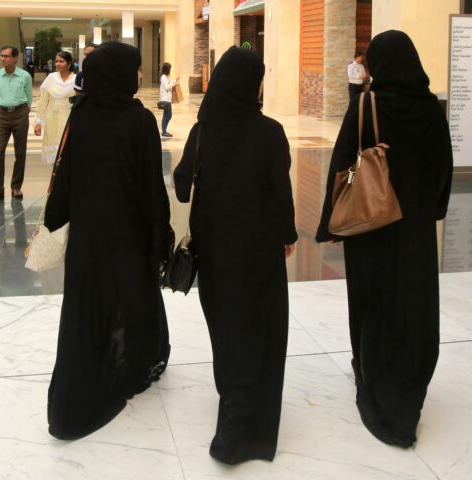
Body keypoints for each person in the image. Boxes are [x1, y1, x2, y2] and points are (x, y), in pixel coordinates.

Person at [316, 30, 453, 448]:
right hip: (413, 231)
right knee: (412, 300)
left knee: (374, 301)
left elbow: (341, 165)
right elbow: (444, 166)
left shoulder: (366, 105)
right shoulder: (431, 110)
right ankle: (408, 380)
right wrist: (433, 210)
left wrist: (330, 226)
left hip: (370, 226)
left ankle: (374, 372)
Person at [174, 46, 297, 465]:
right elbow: (280, 192)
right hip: (259, 247)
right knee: (258, 326)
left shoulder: (203, 129)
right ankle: (247, 419)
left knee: (225, 325)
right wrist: (288, 234)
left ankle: (232, 401)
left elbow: (181, 185)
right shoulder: (270, 132)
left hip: (214, 246)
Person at [44, 41, 172, 440]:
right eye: (135, 70)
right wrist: (160, 237)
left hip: (88, 235)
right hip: (128, 235)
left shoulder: (79, 116)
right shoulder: (139, 122)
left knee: (91, 300)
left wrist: (58, 216)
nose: (138, 76)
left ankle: (95, 364)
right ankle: (134, 362)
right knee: (133, 296)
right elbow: (153, 188)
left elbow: (64, 177)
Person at [0, 46, 33, 202]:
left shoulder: (25, 76)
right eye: (2, 56)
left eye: (6, 56)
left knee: (20, 153)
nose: (3, 59)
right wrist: (5, 105)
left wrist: (24, 111)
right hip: (3, 115)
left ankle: (16, 187)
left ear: (15, 58)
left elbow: (29, 97)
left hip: (20, 114)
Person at [34, 51, 76, 164]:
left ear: (69, 64)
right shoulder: (51, 78)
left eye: (61, 61)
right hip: (52, 118)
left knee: (68, 150)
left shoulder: (76, 79)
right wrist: (38, 123)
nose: (58, 64)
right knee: (54, 154)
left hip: (69, 118)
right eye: (56, 61)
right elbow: (43, 102)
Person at [159, 62, 179, 137]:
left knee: (168, 115)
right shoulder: (163, 77)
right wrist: (173, 81)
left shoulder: (165, 77)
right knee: (167, 116)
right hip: (165, 100)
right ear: (167, 69)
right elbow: (167, 87)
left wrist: (174, 80)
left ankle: (164, 131)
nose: (170, 70)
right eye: (169, 68)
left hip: (168, 99)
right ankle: (164, 132)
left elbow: (167, 83)